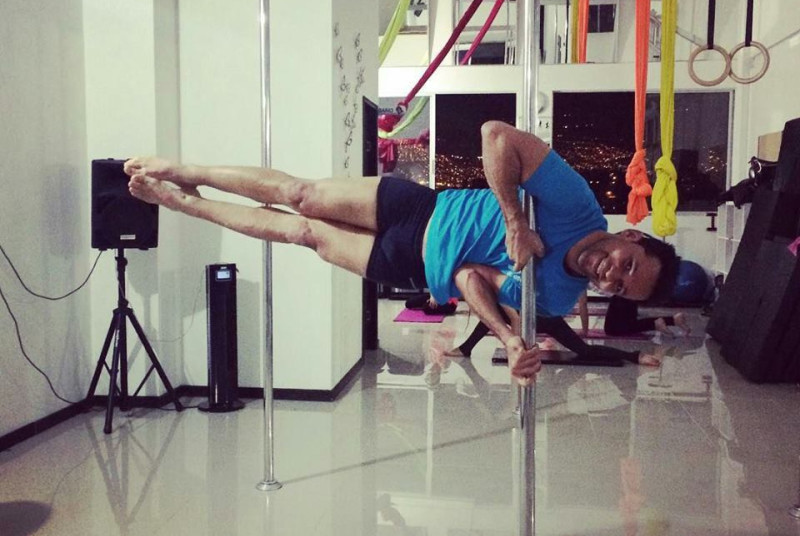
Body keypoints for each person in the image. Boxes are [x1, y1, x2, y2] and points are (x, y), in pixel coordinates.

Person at [124, 121, 680, 383]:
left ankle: (185, 204)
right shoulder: (577, 204)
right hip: (419, 209)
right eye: (625, 266)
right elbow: (494, 135)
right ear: (630, 237)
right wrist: (515, 222)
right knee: (301, 195)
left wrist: (509, 338)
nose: (609, 276)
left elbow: (469, 277)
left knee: (302, 233)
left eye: (617, 287)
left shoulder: (557, 295)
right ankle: (187, 170)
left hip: (410, 266)